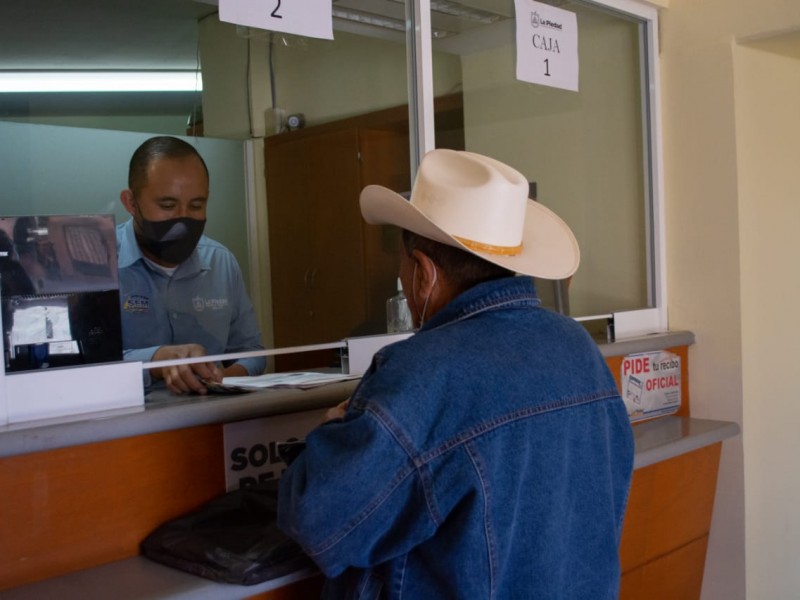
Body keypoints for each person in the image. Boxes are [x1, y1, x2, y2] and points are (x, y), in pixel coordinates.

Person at [277, 149, 634, 599]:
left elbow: (320, 520)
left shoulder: (420, 370)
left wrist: (333, 434)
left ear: (423, 273)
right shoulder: (576, 344)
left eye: (404, 266)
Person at [117, 136, 265, 395]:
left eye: (196, 205)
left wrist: (222, 377)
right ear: (131, 203)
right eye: (167, 205)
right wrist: (157, 360)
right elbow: (77, 368)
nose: (182, 219)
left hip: (211, 422)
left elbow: (252, 353)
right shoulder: (95, 266)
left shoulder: (221, 263)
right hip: (124, 427)